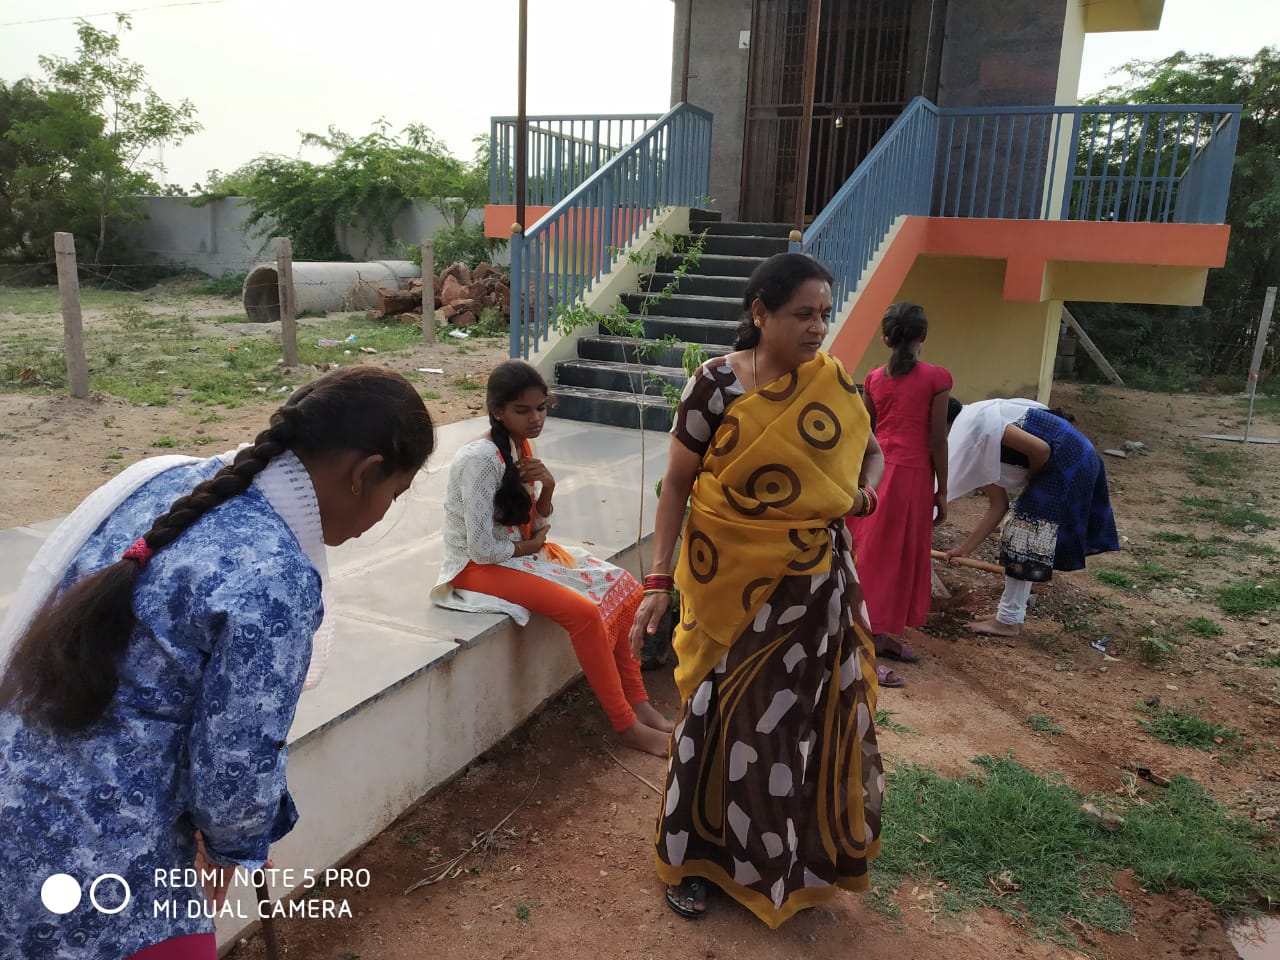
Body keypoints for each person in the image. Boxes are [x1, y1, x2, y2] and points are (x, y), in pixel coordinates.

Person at [0, 365, 435, 959]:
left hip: (19, 796)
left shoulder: (167, 480)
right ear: (363, 474)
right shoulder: (274, 573)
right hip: (110, 864)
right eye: (396, 493)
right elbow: (233, 770)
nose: (386, 513)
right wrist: (236, 847)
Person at [630, 252, 886, 928]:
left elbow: (871, 451)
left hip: (813, 590)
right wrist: (658, 578)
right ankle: (693, 860)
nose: (817, 327)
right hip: (727, 585)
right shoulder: (715, 384)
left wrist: (863, 496)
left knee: (791, 726)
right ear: (761, 313)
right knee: (718, 716)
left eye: (824, 314)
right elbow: (677, 486)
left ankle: (780, 862)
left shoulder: (832, 383)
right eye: (803, 314)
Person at [432, 359, 673, 757]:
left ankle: (639, 703)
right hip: (476, 568)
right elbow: (480, 548)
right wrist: (529, 548)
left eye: (541, 408)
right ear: (497, 410)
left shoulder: (518, 447)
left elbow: (533, 523)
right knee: (585, 613)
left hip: (514, 554)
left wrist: (548, 486)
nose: (535, 419)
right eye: (522, 410)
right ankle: (626, 725)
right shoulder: (480, 459)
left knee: (625, 585)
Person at [943, 397, 1120, 634]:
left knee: (1024, 533)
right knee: (1023, 534)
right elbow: (999, 505)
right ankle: (1010, 615)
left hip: (1069, 458)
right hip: (1069, 458)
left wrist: (1035, 480)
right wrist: (964, 549)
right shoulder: (973, 442)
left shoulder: (979, 424)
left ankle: (1008, 620)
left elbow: (1041, 449)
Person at [846, 302, 951, 686]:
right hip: (912, 477)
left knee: (877, 555)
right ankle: (865, 649)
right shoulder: (936, 378)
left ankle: (880, 636)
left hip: (876, 475)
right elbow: (937, 439)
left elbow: (865, 432)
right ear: (923, 336)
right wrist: (943, 489)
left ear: (886, 338)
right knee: (888, 559)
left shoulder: (874, 378)